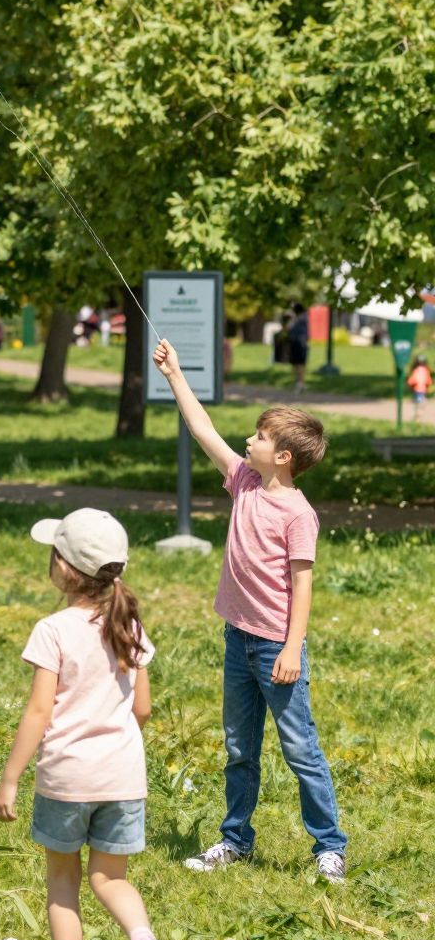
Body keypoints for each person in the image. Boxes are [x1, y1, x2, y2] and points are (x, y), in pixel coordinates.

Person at [152, 338, 347, 883]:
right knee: (240, 748)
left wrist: (290, 648)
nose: (248, 440)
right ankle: (234, 839)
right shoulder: (244, 481)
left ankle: (329, 847)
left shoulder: (298, 514)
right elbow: (202, 430)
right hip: (238, 640)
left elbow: (302, 587)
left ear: (283, 456)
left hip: (275, 649)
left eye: (259, 437)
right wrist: (175, 375)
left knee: (299, 749)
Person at [0, 510, 170, 940]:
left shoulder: (54, 630)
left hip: (68, 777)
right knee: (111, 879)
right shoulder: (128, 624)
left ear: (64, 569)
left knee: (63, 882)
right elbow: (142, 709)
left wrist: (10, 778)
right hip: (124, 776)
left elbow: (39, 711)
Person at [287, 302, 310, 396]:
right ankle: (301, 383)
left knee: (299, 364)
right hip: (301, 343)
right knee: (299, 364)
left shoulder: (299, 319)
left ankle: (300, 383)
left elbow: (289, 328)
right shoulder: (304, 318)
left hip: (298, 344)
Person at [406, 352, 432, 422]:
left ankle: (418, 417)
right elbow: (428, 380)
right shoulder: (426, 370)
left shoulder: (416, 370)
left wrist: (409, 382)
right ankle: (418, 416)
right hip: (423, 389)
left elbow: (413, 379)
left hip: (417, 389)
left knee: (418, 403)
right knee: (419, 402)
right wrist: (428, 385)